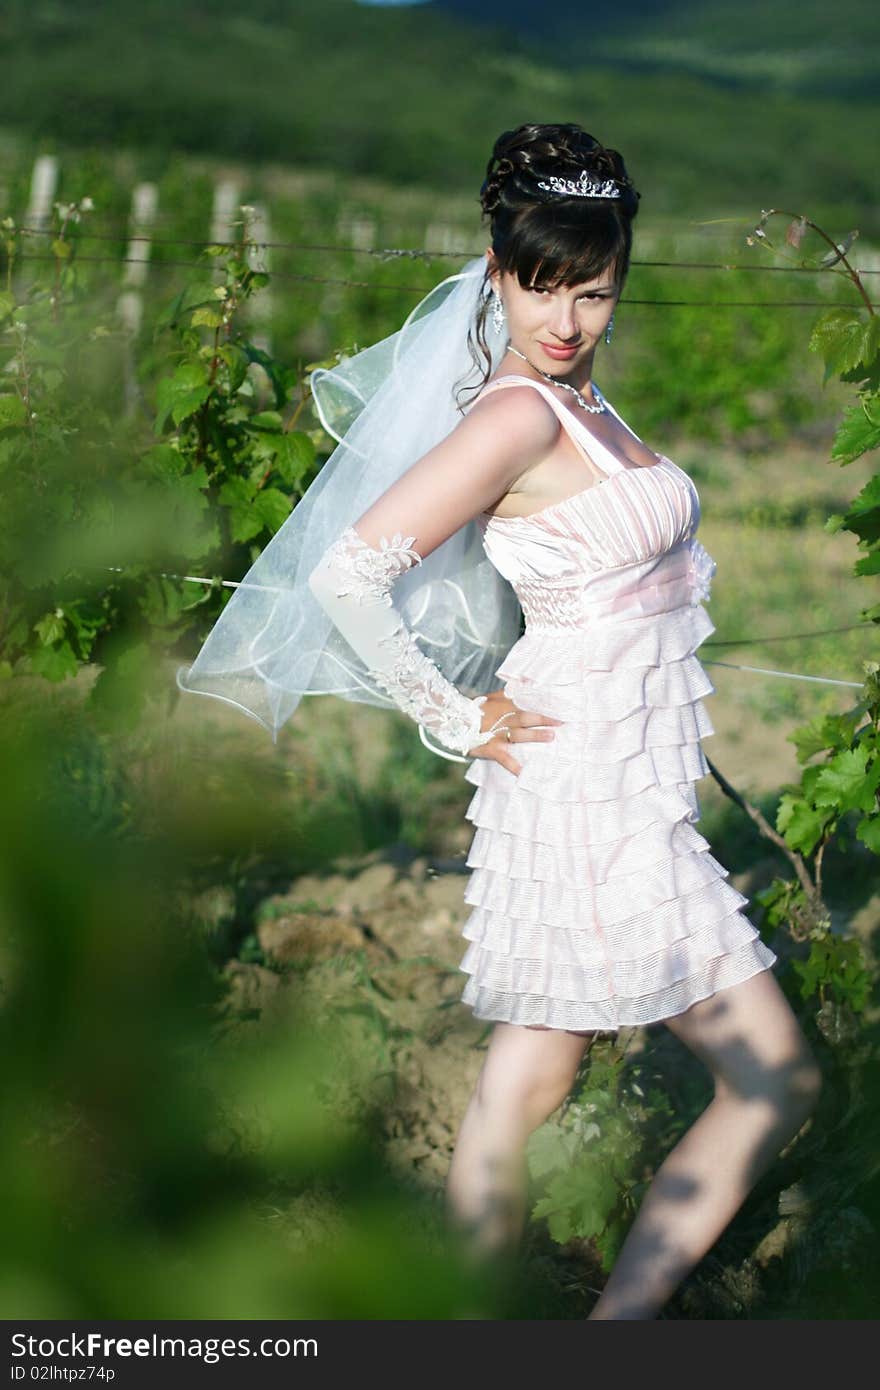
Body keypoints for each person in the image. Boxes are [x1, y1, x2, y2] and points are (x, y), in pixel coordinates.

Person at [179, 122, 823, 1319]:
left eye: (593, 289)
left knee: (525, 1081)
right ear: (495, 270)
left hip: (624, 787)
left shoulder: (583, 402)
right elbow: (347, 573)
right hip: (583, 794)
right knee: (768, 1077)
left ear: (619, 279)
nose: (565, 317)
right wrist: (450, 711)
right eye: (540, 286)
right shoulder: (516, 416)